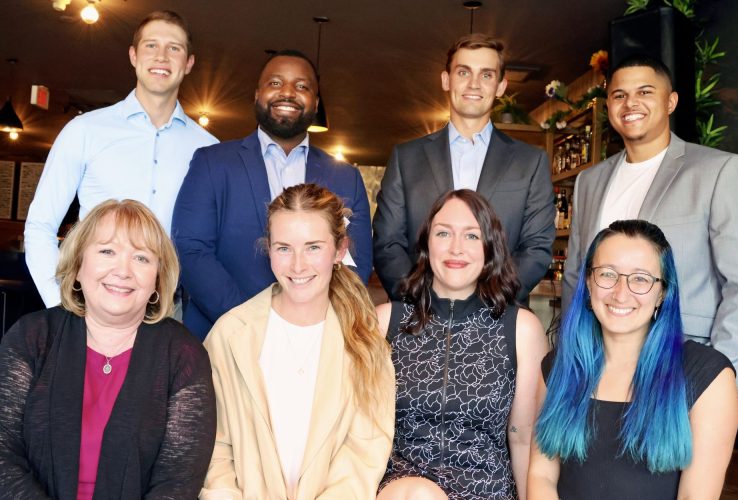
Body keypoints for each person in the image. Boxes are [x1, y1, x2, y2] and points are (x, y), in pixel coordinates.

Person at [562, 54, 738, 397]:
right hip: (597, 370)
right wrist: (572, 359)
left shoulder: (720, 171)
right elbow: (575, 276)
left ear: (670, 101)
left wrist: (720, 381)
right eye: (619, 95)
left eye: (645, 92)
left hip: (683, 367)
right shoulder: (589, 181)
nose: (631, 104)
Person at [0, 199, 216, 498]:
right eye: (107, 251)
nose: (123, 270)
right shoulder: (30, 337)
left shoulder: (183, 355)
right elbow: (3, 457)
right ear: (77, 266)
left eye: (141, 258)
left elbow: (177, 483)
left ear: (157, 279)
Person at [201, 183, 394, 499]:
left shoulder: (364, 340)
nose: (298, 265)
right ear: (269, 249)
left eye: (313, 247)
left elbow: (364, 452)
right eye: (284, 248)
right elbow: (215, 446)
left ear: (339, 250)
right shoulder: (230, 334)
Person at [530, 220, 738, 499]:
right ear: (589, 284)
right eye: (607, 274)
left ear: (662, 292)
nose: (620, 292)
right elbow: (541, 476)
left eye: (640, 278)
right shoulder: (558, 366)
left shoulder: (708, 376)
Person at [173, 50, 372, 341]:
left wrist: (314, 324)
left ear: (316, 103)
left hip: (315, 341)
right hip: (223, 336)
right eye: (276, 83)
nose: (289, 92)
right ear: (257, 94)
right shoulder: (212, 163)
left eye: (302, 86)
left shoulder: (345, 177)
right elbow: (191, 249)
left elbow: (356, 262)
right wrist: (248, 322)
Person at [24, 10, 218, 308]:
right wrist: (62, 307)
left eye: (174, 48)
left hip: (171, 313)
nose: (161, 56)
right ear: (133, 55)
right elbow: (40, 226)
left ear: (189, 62)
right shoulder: (85, 130)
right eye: (151, 45)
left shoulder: (208, 148)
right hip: (92, 307)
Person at [377, 189, 548, 500]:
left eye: (471, 236)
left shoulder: (521, 328)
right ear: (427, 243)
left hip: (487, 490)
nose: (456, 248)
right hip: (402, 489)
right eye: (444, 233)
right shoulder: (385, 322)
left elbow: (523, 438)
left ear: (489, 247)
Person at [373, 33, 554, 302]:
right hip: (419, 318)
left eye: (486, 75)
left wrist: (487, 305)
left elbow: (536, 248)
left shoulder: (531, 161)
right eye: (463, 72)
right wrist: (422, 302)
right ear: (446, 80)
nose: (474, 84)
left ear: (501, 86)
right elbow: (388, 243)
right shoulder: (405, 157)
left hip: (499, 318)